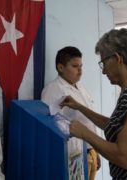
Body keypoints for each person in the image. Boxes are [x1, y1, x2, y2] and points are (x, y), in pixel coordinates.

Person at [60, 29, 127, 179]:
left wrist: (84, 133)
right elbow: (116, 126)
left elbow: (124, 158)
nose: (103, 72)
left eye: (104, 63)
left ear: (117, 59)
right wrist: (79, 107)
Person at [41, 46, 100, 180]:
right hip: (73, 155)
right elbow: (50, 126)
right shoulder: (53, 90)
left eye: (81, 66)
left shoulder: (81, 89)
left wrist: (95, 150)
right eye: (74, 66)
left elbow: (88, 122)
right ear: (61, 67)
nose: (80, 71)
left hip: (90, 150)